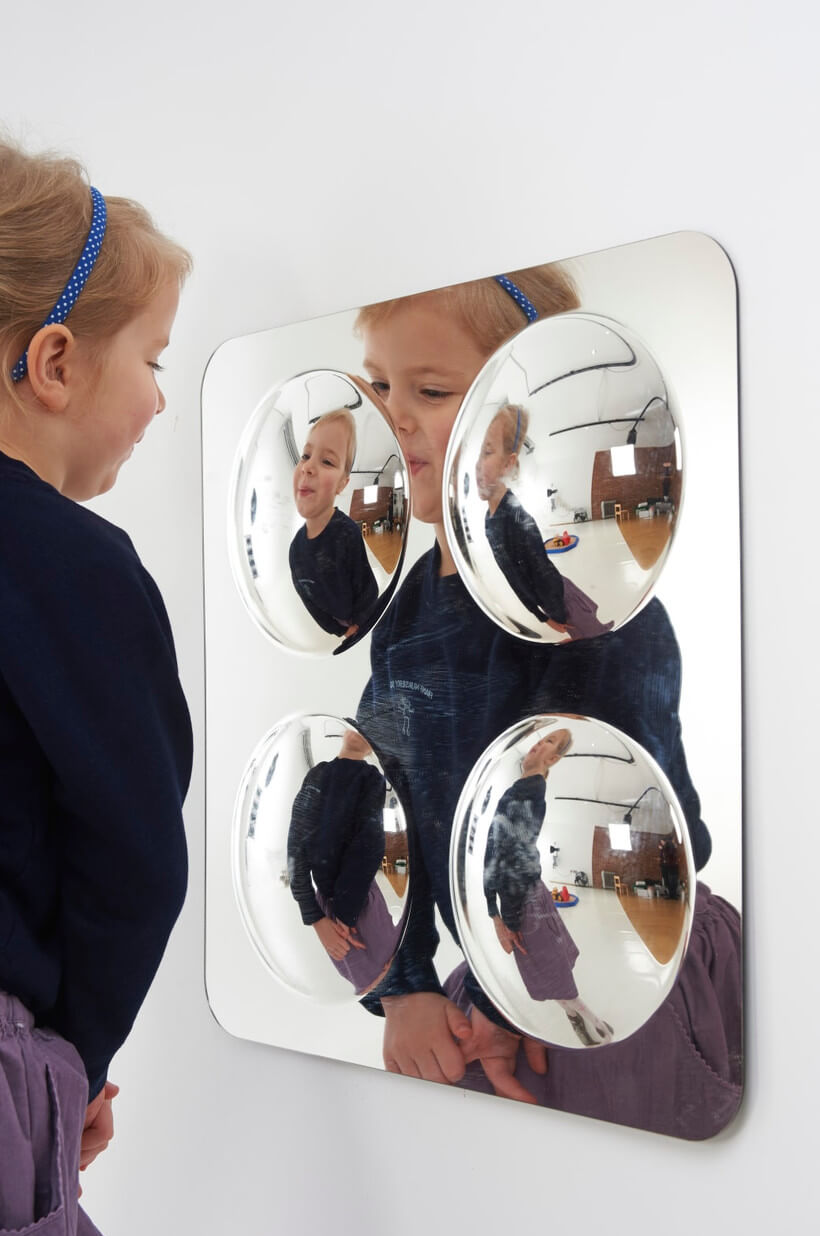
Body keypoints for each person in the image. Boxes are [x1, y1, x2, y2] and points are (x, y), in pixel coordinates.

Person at [353, 264, 742, 1137]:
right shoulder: (407, 606)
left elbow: (627, 822)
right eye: (378, 384)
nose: (392, 415)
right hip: (503, 974)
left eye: (431, 388)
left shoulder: (587, 596)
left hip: (623, 961)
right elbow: (383, 810)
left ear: (518, 427)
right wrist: (407, 985)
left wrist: (524, 978)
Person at [0, 130, 193, 1236]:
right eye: (154, 357)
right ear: (53, 362)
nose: (161, 395)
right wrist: (74, 1055)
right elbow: (137, 852)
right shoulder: (67, 559)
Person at [483, 730, 613, 1046]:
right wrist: (494, 913)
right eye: (541, 739)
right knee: (547, 969)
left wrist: (507, 918)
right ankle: (585, 1021)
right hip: (523, 898)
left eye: (549, 742)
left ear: (552, 759)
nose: (538, 742)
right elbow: (494, 850)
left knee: (549, 969)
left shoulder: (529, 790)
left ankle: (590, 1026)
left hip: (523, 901)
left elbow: (514, 855)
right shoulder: (520, 789)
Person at [476, 404, 612, 639]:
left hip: (554, 590)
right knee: (580, 623)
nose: (477, 465)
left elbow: (530, 569)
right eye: (478, 454)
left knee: (583, 619)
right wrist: (544, 616)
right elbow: (515, 577)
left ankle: (593, 631)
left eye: (487, 452)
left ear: (508, 463)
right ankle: (589, 634)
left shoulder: (514, 516)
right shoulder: (492, 520)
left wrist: (546, 614)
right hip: (552, 593)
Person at [287, 729, 401, 995]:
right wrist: (314, 916)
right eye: (356, 724)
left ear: (372, 750)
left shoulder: (371, 779)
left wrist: (343, 914)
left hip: (357, 903)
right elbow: (296, 844)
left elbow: (370, 844)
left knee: (381, 981)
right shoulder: (318, 774)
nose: (361, 730)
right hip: (331, 909)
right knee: (369, 984)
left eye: (369, 731)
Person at [288, 409, 379, 641]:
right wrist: (337, 630)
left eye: (327, 461)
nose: (308, 467)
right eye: (306, 455)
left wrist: (358, 625)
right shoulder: (295, 549)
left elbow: (368, 588)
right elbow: (308, 599)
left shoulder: (347, 533)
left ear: (342, 484)